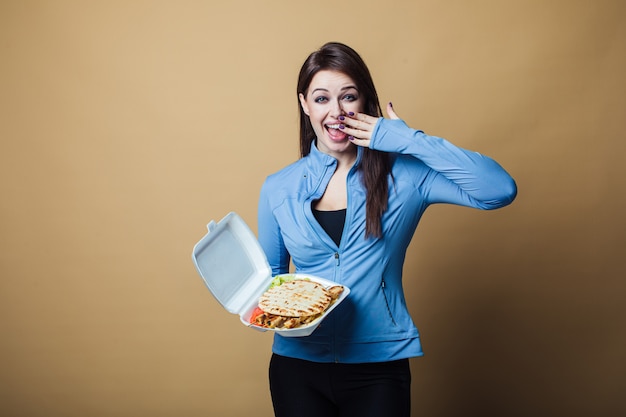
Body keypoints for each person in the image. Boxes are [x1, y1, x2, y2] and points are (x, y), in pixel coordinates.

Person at [257, 42, 517, 417]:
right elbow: (273, 281)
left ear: (365, 102)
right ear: (305, 105)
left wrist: (408, 140)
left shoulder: (405, 175)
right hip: (296, 368)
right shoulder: (278, 187)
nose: (336, 111)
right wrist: (255, 305)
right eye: (322, 98)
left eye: (348, 97)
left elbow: (499, 190)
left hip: (378, 369)